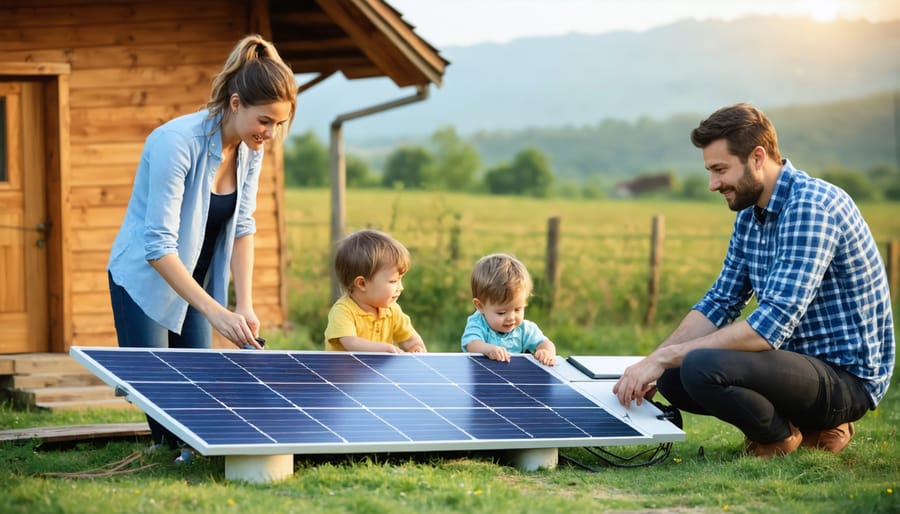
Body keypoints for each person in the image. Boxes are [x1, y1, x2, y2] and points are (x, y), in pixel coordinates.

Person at [613, 103, 895, 458]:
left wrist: (668, 355)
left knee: (698, 365)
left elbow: (769, 327)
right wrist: (655, 361)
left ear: (757, 157)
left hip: (846, 379)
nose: (713, 184)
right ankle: (806, 427)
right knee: (673, 376)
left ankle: (780, 437)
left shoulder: (811, 206)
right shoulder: (750, 218)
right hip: (793, 367)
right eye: (710, 171)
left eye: (720, 170)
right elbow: (720, 302)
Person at [107, 35, 298, 456]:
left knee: (198, 392)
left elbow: (243, 224)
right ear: (236, 103)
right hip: (146, 278)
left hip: (198, 281)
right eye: (265, 121)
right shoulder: (175, 142)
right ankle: (163, 452)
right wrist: (215, 311)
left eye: (278, 124)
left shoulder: (250, 148)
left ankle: (186, 455)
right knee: (159, 392)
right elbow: (158, 245)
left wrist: (242, 305)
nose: (270, 133)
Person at [325, 229, 427, 353]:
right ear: (362, 284)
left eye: (400, 280)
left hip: (377, 366)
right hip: (346, 367)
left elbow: (409, 339)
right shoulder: (343, 311)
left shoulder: (392, 311)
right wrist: (386, 349)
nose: (401, 287)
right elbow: (351, 343)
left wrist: (416, 347)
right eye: (393, 281)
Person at [461, 253, 557, 366]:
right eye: (501, 312)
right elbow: (472, 344)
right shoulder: (478, 323)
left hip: (515, 375)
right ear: (480, 306)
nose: (511, 318)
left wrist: (545, 352)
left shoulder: (524, 330)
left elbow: (546, 343)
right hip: (483, 374)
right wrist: (488, 350)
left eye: (518, 309)